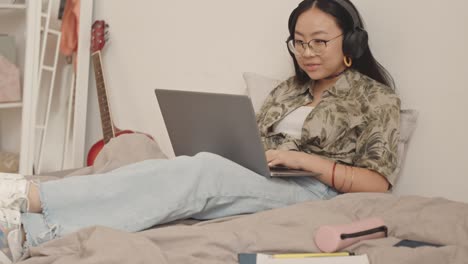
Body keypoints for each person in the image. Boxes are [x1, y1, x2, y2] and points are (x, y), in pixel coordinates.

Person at [0, 0, 400, 262]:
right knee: (150, 155)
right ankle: (29, 232)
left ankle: (30, 195)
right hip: (263, 173)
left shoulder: (376, 99)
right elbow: (252, 137)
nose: (307, 53)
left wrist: (304, 161)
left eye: (318, 42)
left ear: (351, 41)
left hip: (314, 189)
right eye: (298, 43)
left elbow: (379, 184)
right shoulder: (289, 90)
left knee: (202, 172)